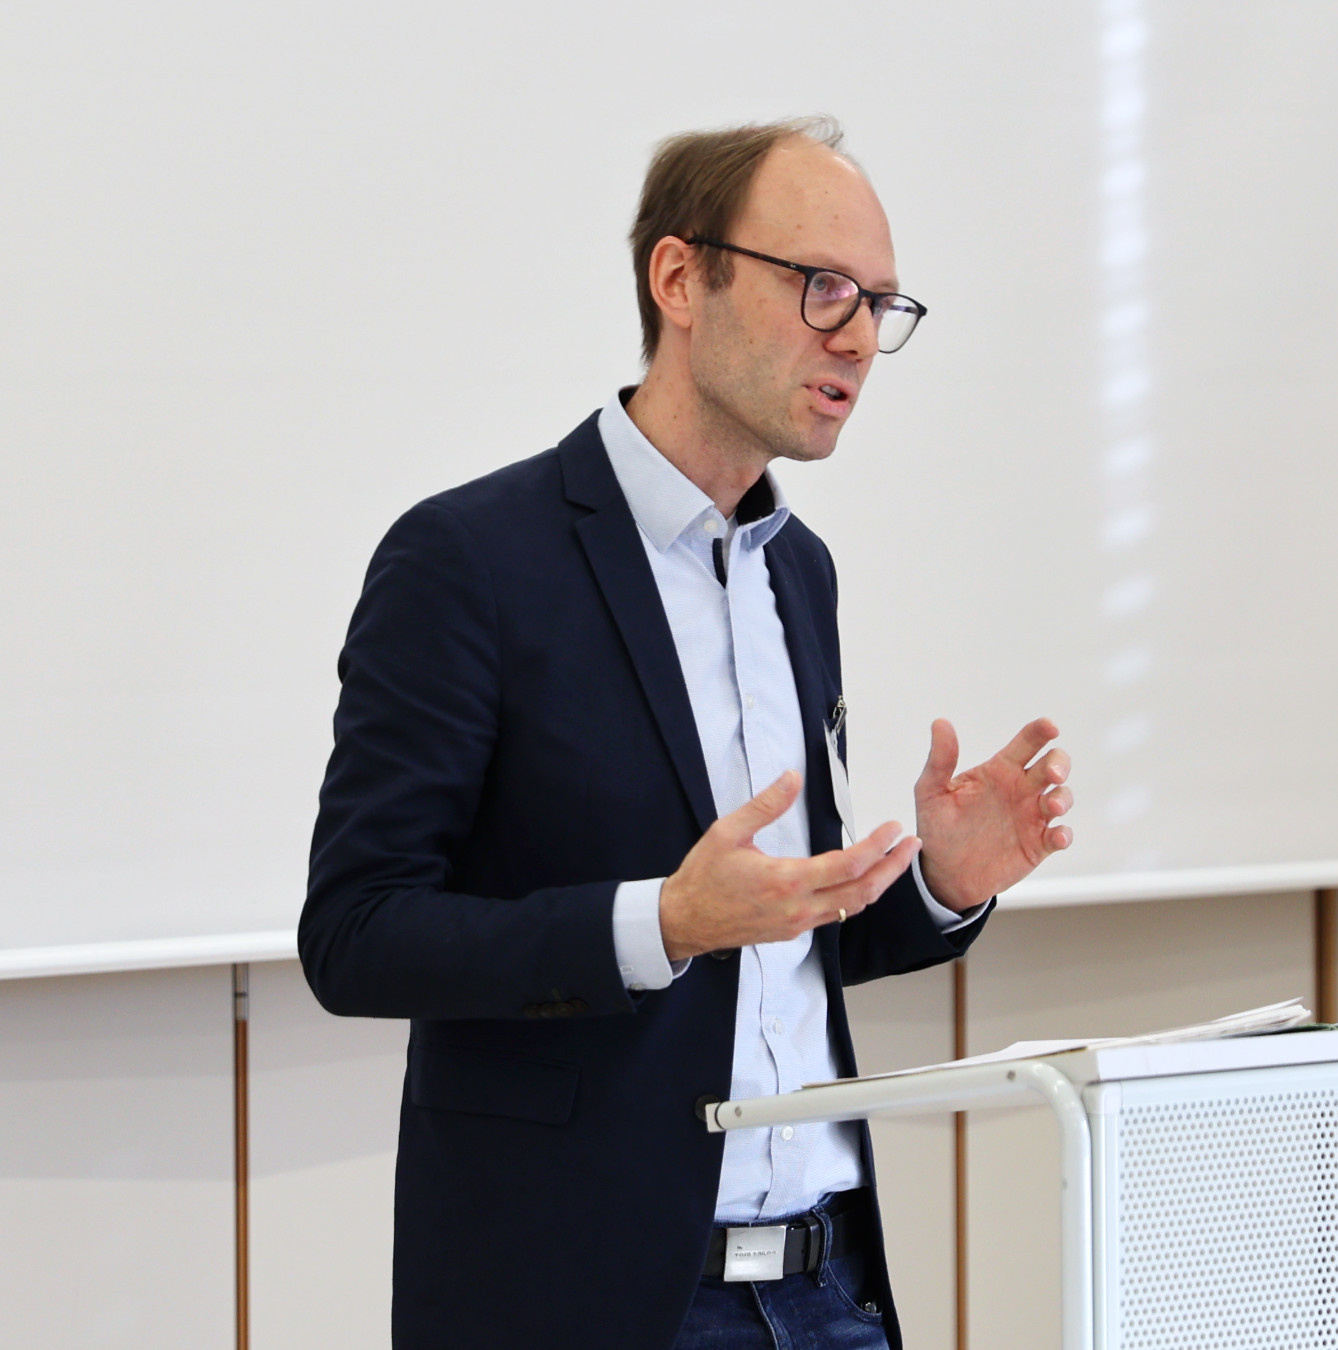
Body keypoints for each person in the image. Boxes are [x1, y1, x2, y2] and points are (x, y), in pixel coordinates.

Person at [300, 117, 1073, 1350]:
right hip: (590, 1301)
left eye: (881, 304)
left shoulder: (797, 572)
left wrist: (940, 886)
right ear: (680, 279)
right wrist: (657, 923)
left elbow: (772, 950)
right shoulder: (469, 561)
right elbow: (356, 935)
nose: (858, 338)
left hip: (826, 1291)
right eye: (822, 286)